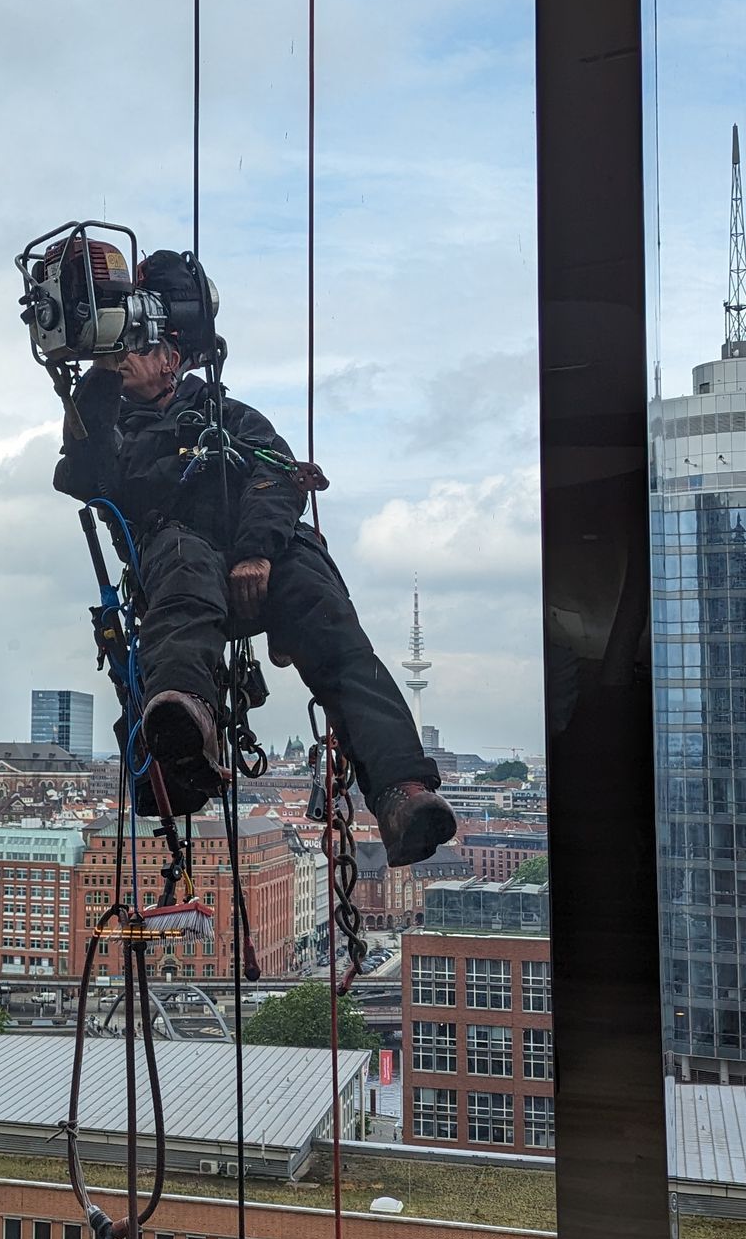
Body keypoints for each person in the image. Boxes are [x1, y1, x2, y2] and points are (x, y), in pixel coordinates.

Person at [51, 251, 455, 865]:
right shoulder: (109, 425)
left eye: (143, 346)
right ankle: (182, 721)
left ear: (172, 359)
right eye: (125, 346)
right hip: (180, 562)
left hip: (261, 558)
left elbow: (278, 478)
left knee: (333, 629)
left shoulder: (228, 416)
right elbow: (87, 474)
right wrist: (101, 375)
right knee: (184, 572)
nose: (131, 356)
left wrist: (255, 554)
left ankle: (402, 789)